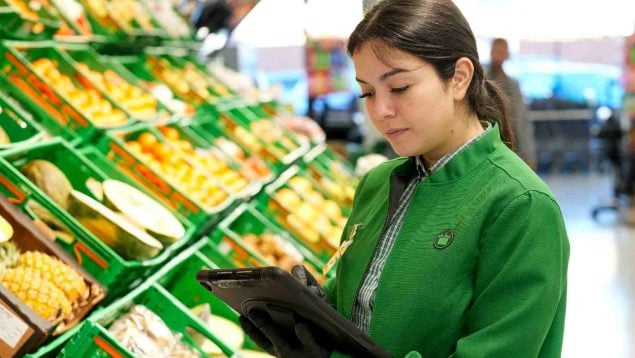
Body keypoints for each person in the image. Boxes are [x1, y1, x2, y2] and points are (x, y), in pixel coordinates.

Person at [239, 1, 570, 357]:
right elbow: (361, 312)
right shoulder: (376, 184)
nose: (381, 110)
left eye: (399, 88)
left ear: (459, 77)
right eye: (367, 92)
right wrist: (313, 314)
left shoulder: (521, 206)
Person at [487, 38, 538, 169]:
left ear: (507, 55)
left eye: (501, 51)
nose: (498, 55)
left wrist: (529, 155)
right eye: (495, 50)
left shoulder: (513, 85)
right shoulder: (481, 82)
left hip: (512, 145)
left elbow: (522, 121)